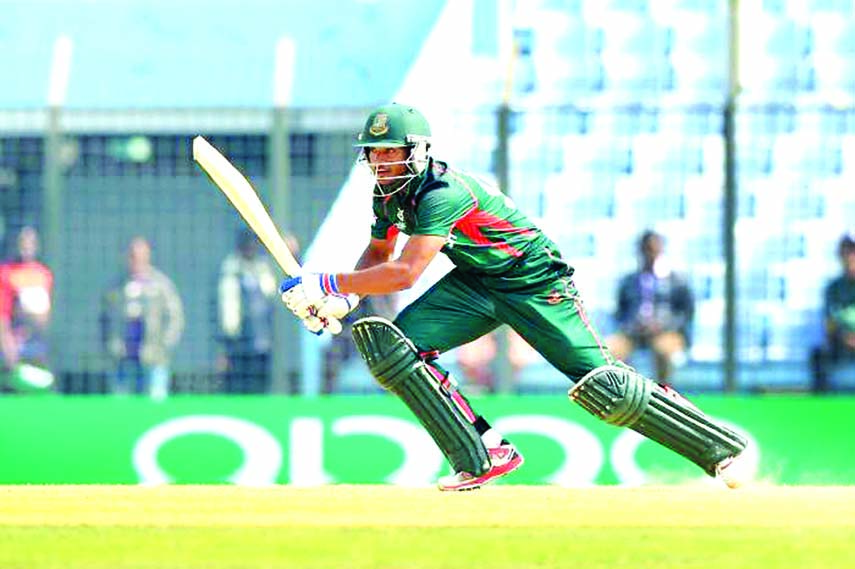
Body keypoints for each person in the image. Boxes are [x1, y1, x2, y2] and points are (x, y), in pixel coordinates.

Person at [279, 103, 749, 491]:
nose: (380, 163)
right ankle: (482, 455)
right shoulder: (387, 194)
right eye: (374, 154)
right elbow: (379, 253)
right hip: (477, 283)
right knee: (394, 349)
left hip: (535, 281)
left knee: (604, 385)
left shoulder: (443, 192)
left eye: (390, 153)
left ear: (417, 153)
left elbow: (404, 273)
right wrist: (343, 301)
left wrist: (327, 284)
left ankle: (720, 448)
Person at [606, 230, 694, 385]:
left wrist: (663, 324)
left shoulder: (677, 281)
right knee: (610, 349)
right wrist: (631, 325)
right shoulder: (629, 281)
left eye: (654, 250)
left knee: (664, 350)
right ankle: (628, 390)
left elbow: (686, 313)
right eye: (647, 250)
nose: (650, 254)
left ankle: (665, 392)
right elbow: (619, 312)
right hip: (633, 333)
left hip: (666, 332)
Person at [100, 237, 184, 399]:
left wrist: (164, 344)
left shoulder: (161, 285)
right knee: (121, 402)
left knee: (154, 400)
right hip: (123, 356)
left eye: (140, 255)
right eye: (132, 255)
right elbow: (105, 318)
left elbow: (175, 317)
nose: (136, 259)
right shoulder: (116, 287)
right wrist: (111, 345)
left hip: (153, 356)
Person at [216, 229, 283, 394]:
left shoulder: (263, 269)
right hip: (237, 342)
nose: (250, 249)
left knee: (260, 385)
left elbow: (274, 294)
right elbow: (224, 312)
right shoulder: (230, 271)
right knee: (237, 386)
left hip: (262, 341)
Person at [0, 227, 55, 393]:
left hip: (38, 345)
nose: (26, 246)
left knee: (39, 392)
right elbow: (3, 313)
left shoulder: (43, 274)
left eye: (30, 242)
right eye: (22, 242)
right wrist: (7, 342)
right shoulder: (6, 273)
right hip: (14, 344)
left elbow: (46, 314)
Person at [810, 232, 855, 392]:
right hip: (843, 344)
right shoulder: (833, 289)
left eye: (852, 253)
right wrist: (846, 338)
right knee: (818, 355)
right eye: (846, 254)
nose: (849, 259)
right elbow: (829, 322)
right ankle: (822, 404)